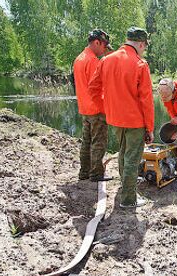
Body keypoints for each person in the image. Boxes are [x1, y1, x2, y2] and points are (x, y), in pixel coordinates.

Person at [89, 26, 154, 208]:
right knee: (132, 159)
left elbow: (93, 88)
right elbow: (146, 101)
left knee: (123, 153)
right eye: (144, 46)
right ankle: (128, 200)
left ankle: (125, 189)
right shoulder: (140, 64)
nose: (144, 50)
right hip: (135, 121)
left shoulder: (106, 60)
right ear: (141, 44)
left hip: (115, 119)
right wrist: (149, 128)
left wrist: (107, 106)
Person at [73, 29, 113, 181]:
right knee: (98, 142)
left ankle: (84, 172)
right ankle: (96, 174)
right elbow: (101, 85)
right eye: (104, 46)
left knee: (86, 141)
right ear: (97, 42)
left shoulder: (79, 59)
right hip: (97, 108)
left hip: (85, 107)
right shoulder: (93, 61)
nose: (104, 50)